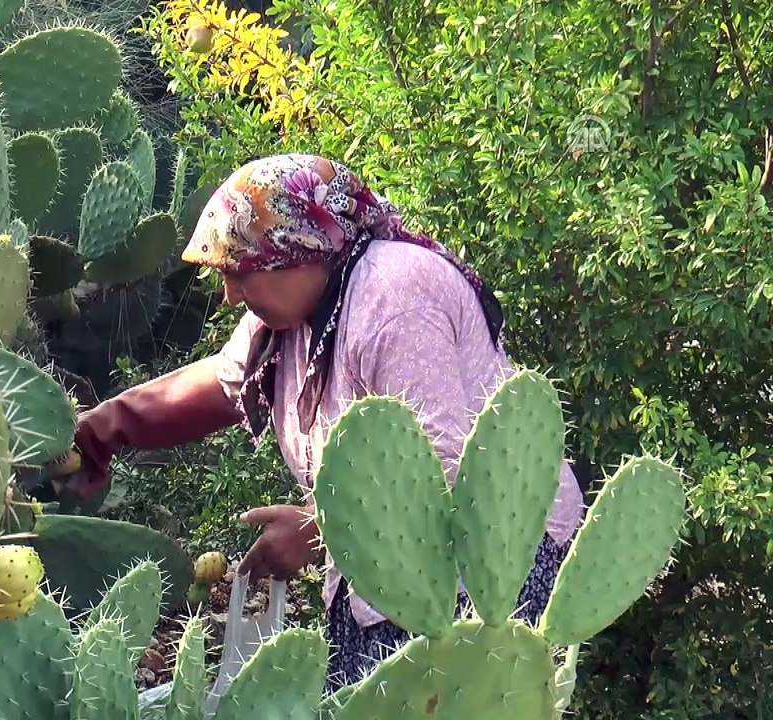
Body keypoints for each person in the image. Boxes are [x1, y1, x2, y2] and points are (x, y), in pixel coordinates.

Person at [66, 153, 585, 690]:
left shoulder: (395, 299)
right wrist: (105, 427)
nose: (231, 294)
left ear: (303, 249)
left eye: (242, 272)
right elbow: (219, 385)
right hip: (389, 580)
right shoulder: (292, 314)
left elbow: (446, 471)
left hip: (495, 575)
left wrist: (321, 532)